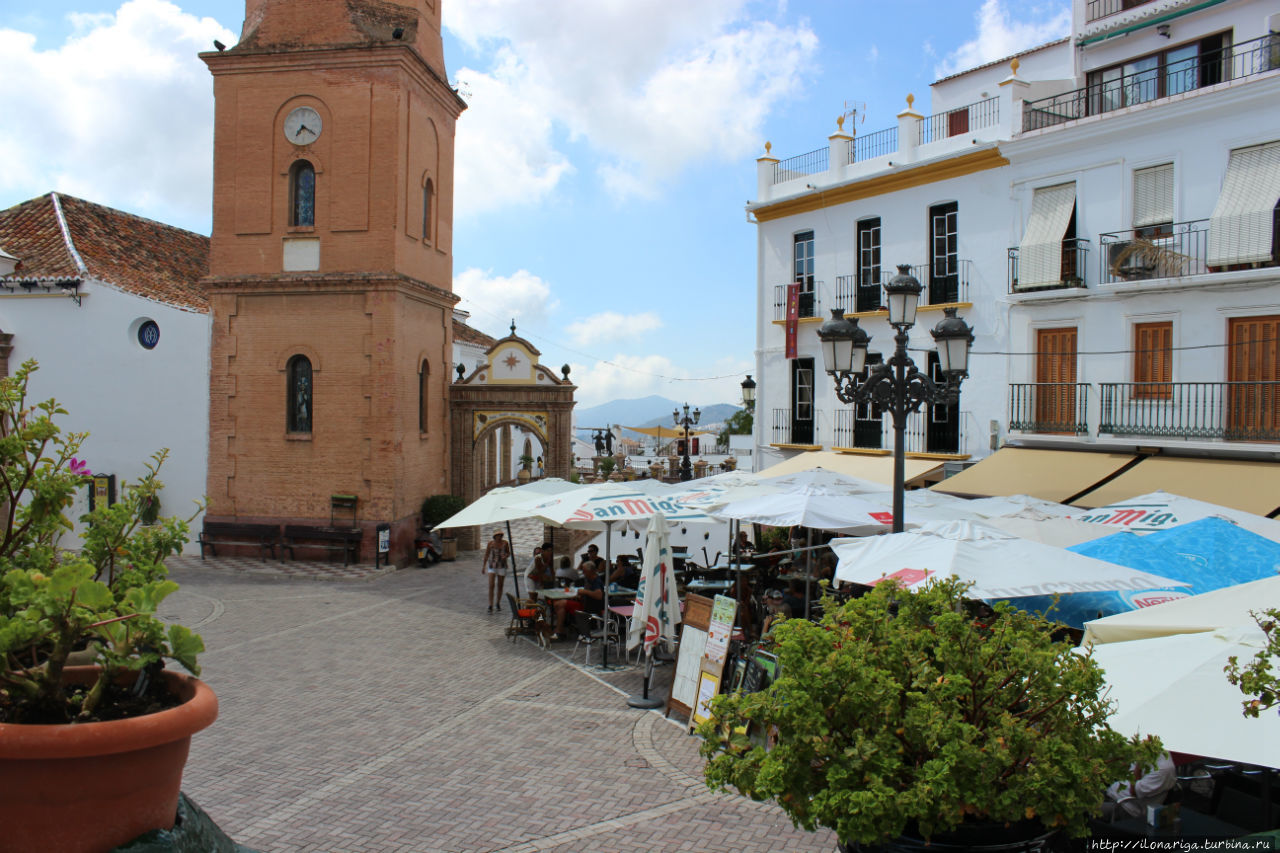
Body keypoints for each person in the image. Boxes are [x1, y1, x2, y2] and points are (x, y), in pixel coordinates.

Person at [1102, 752, 1177, 820]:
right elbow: (1128, 769)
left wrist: (1139, 764)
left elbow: (1133, 792)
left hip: (1125, 807)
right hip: (1113, 791)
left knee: (1090, 809)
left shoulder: (1163, 770)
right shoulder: (1147, 752)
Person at [552, 556, 605, 640]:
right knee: (558, 604)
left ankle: (559, 631)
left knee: (560, 604)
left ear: (590, 571)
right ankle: (560, 630)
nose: (583, 574)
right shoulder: (589, 579)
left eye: (585, 571)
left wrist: (585, 592)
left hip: (589, 607)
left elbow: (599, 595)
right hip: (584, 603)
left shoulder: (596, 581)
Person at [481, 529, 511, 613]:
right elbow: (486, 554)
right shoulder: (490, 544)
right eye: (497, 535)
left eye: (500, 535)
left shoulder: (505, 543)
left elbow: (508, 553)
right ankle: (490, 604)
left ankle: (498, 602)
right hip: (492, 566)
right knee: (491, 585)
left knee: (500, 585)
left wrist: (506, 556)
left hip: (502, 566)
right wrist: (483, 566)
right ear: (494, 536)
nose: (499, 537)